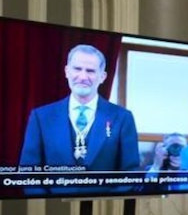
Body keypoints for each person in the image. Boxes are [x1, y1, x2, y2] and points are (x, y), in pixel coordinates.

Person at [18, 44, 140, 176]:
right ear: (67, 72)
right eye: (77, 69)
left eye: (90, 71)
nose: (82, 77)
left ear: (102, 77)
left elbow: (130, 172)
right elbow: (28, 172)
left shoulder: (122, 118)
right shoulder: (41, 117)